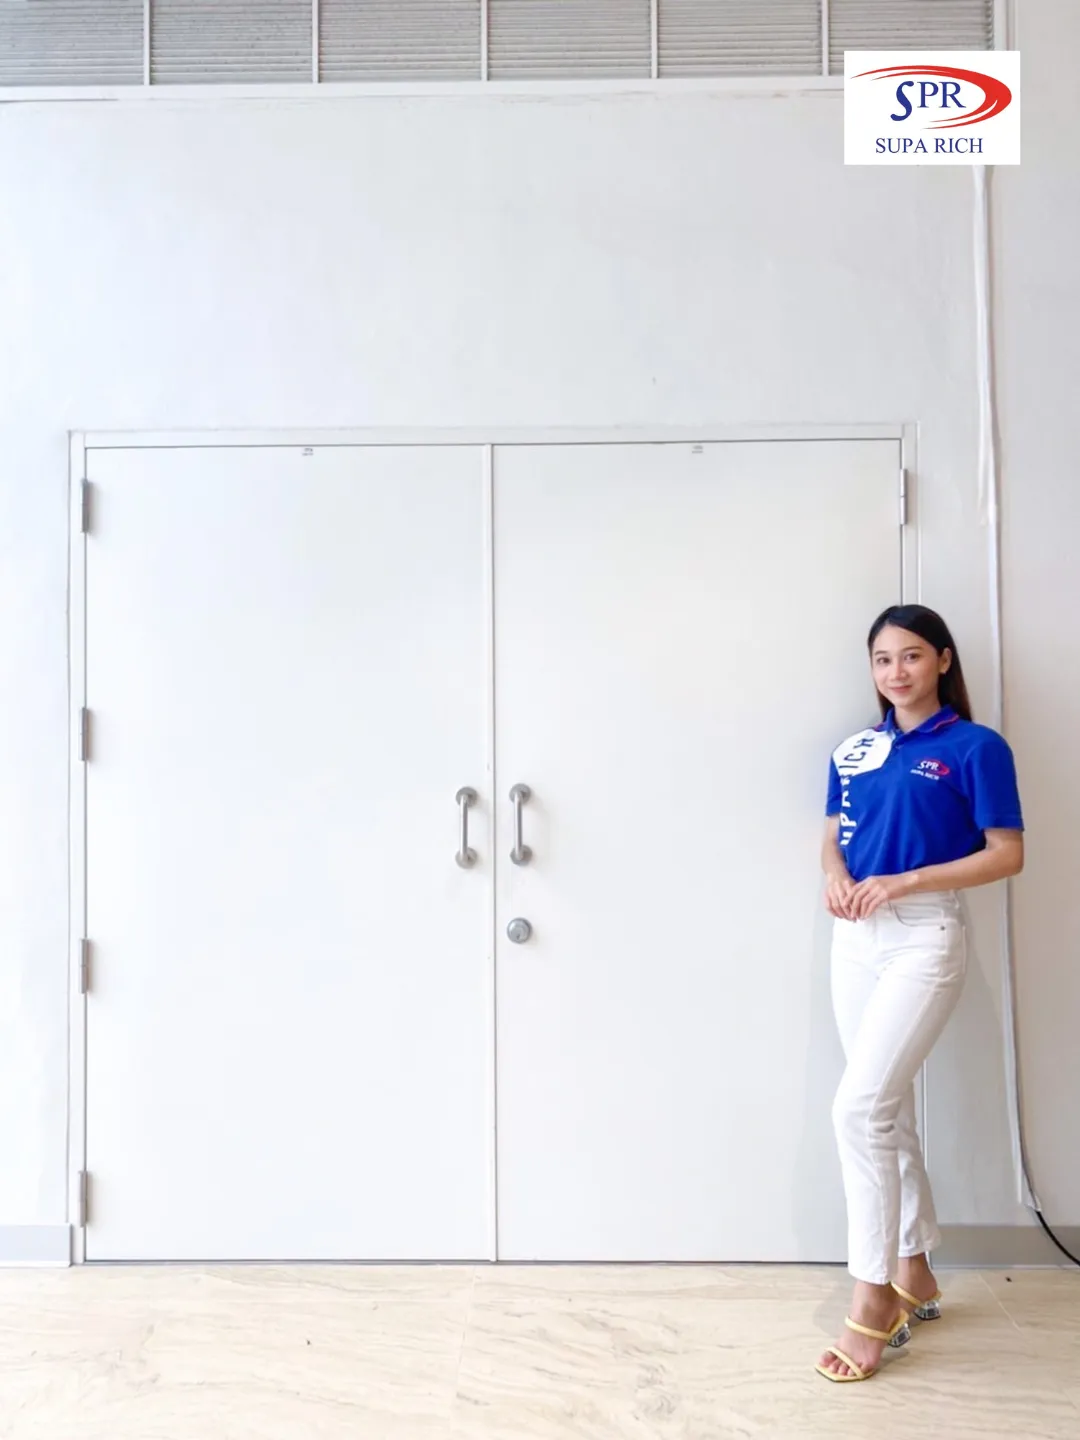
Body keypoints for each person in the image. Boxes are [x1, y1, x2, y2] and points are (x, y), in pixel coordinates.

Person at [815, 604, 1024, 1384]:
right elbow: (832, 834)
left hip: (923, 936)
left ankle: (873, 1296)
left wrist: (906, 881)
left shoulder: (976, 747)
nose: (895, 672)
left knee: (857, 1110)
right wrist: (835, 877)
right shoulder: (854, 748)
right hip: (854, 938)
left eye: (910, 656)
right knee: (886, 1110)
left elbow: (1007, 853)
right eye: (881, 660)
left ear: (942, 660)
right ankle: (915, 1267)